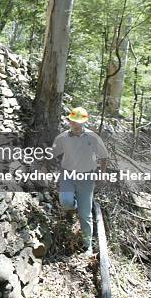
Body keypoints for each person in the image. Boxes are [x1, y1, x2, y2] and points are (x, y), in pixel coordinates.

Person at [52, 107, 108, 255]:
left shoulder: (93, 137)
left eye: (77, 121)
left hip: (87, 178)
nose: (74, 123)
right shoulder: (62, 137)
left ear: (84, 122)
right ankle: (73, 205)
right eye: (72, 120)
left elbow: (104, 156)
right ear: (68, 120)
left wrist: (102, 174)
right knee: (65, 201)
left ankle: (87, 245)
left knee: (85, 214)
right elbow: (51, 154)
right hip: (68, 175)